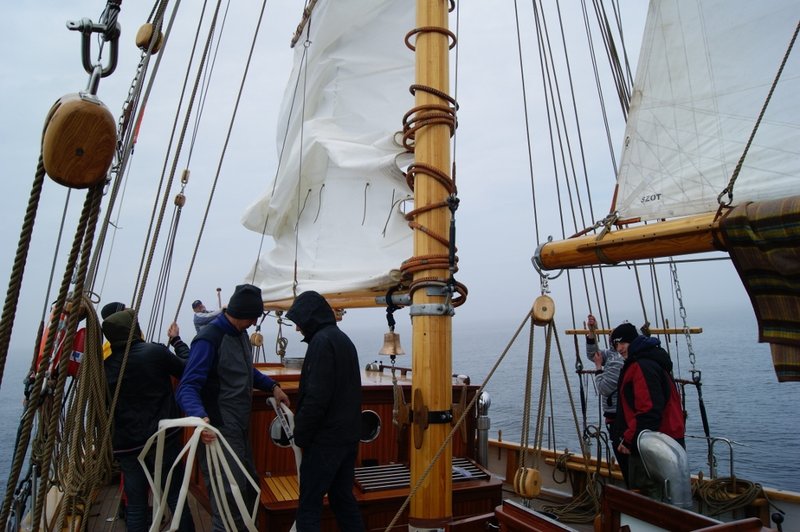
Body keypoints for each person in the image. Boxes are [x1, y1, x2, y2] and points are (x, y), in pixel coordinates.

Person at [176, 283, 290, 531]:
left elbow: (246, 371)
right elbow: (187, 387)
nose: (254, 323)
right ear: (245, 314)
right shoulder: (208, 339)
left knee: (248, 490)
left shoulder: (240, 335)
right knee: (228, 500)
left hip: (239, 426)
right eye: (253, 317)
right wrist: (199, 417)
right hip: (219, 429)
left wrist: (272, 387)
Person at [102, 309, 194, 532]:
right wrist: (176, 341)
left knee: (136, 506)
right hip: (163, 439)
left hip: (128, 444)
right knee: (175, 497)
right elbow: (188, 368)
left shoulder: (105, 367)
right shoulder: (154, 352)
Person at [285, 290, 365, 532]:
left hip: (325, 441)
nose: (297, 328)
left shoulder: (321, 343)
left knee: (309, 506)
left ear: (310, 317)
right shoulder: (343, 340)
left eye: (299, 321)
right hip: (347, 438)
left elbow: (316, 397)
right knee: (343, 499)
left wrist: (301, 435)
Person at [610, 322, 685, 491]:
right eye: (616, 345)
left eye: (622, 343)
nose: (619, 348)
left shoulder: (641, 366)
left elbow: (648, 410)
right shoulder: (652, 360)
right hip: (666, 440)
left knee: (648, 494)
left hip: (653, 444)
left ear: (633, 340)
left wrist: (629, 440)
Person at [585, 314, 624, 437]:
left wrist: (598, 367)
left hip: (619, 413)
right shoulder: (612, 354)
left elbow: (604, 388)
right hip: (613, 413)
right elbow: (593, 354)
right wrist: (592, 332)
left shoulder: (618, 359)